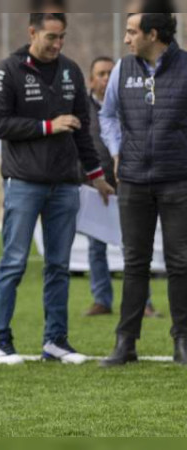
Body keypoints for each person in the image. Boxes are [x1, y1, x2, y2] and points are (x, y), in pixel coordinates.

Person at [0, 13, 115, 365]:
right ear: (32, 33)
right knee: (13, 263)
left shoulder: (71, 70)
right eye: (51, 38)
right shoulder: (7, 70)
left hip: (66, 185)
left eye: (62, 38)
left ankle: (55, 341)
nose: (57, 45)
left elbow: (82, 132)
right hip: (23, 183)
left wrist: (97, 175)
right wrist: (46, 125)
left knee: (59, 265)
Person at [99, 11, 187, 367]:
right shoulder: (122, 69)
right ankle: (126, 344)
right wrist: (117, 150)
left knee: (181, 263)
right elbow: (106, 115)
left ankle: (182, 342)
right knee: (135, 263)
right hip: (133, 180)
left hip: (178, 179)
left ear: (153, 34)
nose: (126, 39)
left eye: (132, 32)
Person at [82, 56, 159, 318]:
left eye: (109, 73)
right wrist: (90, 178)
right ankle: (102, 299)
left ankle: (143, 302)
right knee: (96, 246)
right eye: (101, 73)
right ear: (91, 80)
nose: (105, 78)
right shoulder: (81, 108)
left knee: (135, 245)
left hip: (128, 183)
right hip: (94, 187)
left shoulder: (129, 103)